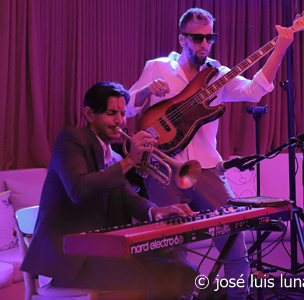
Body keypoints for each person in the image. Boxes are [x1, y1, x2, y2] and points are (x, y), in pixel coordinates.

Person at [126, 7, 294, 300]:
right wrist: (145, 92)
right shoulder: (158, 67)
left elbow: (254, 91)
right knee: (169, 251)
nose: (204, 44)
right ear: (182, 39)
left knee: (234, 245)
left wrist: (280, 47)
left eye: (209, 37)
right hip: (164, 170)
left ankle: (239, 297)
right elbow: (128, 107)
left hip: (206, 169)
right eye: (197, 38)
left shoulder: (218, 74)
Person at [21, 82, 197, 299]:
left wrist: (155, 211)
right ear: (89, 114)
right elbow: (80, 191)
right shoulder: (70, 141)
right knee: (162, 276)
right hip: (69, 259)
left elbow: (128, 197)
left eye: (122, 114)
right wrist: (130, 160)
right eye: (111, 113)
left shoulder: (113, 156)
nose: (119, 121)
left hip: (102, 249)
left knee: (186, 270)